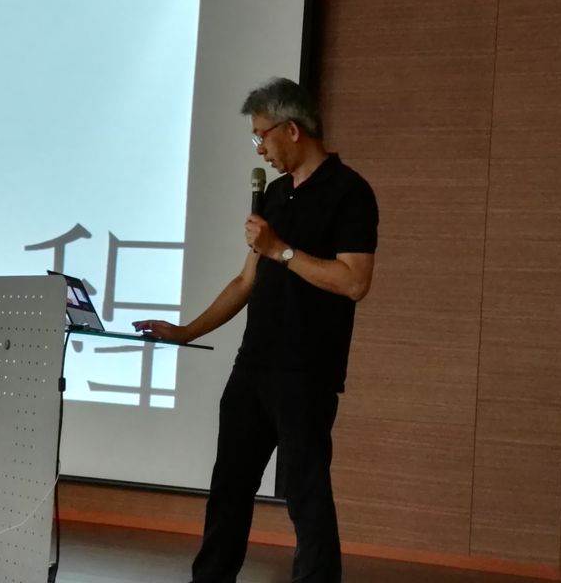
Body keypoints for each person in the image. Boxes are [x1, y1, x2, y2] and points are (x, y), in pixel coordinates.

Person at [133, 77, 378, 583]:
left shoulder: (349, 192)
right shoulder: (275, 195)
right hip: (253, 365)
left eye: (261, 135)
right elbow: (247, 280)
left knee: (306, 496)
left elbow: (354, 282)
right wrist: (186, 331)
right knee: (229, 486)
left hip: (306, 372)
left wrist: (281, 251)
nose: (259, 149)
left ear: (292, 130)